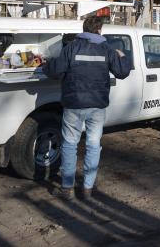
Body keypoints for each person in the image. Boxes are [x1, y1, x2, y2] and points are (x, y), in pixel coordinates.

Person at [45, 16, 133, 200]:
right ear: (99, 30)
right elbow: (123, 72)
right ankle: (87, 189)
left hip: (74, 104)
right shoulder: (107, 50)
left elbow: (55, 71)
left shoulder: (71, 48)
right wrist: (123, 56)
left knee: (70, 144)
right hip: (97, 106)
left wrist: (46, 64)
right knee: (93, 145)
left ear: (83, 30)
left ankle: (67, 187)